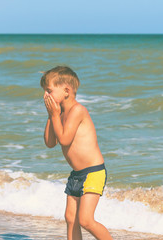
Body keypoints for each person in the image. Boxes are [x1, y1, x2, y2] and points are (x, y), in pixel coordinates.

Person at [40, 66, 112, 240]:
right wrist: (51, 115)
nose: (45, 96)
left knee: (85, 220)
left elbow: (64, 139)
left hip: (93, 172)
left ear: (66, 90)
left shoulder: (78, 111)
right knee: (71, 219)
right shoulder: (60, 114)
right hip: (77, 174)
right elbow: (50, 143)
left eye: (49, 91)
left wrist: (55, 116)